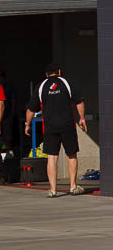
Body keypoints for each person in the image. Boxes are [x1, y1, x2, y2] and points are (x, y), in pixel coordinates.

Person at [25, 63, 87, 198]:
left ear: (46, 74)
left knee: (52, 157)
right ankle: (72, 186)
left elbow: (31, 109)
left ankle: (53, 190)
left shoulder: (41, 86)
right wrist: (82, 119)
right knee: (71, 154)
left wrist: (27, 124)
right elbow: (79, 101)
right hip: (67, 125)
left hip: (50, 127)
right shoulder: (66, 83)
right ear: (59, 71)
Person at [0, 69, 17, 154]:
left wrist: (12, 114)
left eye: (0, 77)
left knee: (8, 135)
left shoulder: (8, 88)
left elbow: (13, 101)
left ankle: (9, 152)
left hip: (6, 115)